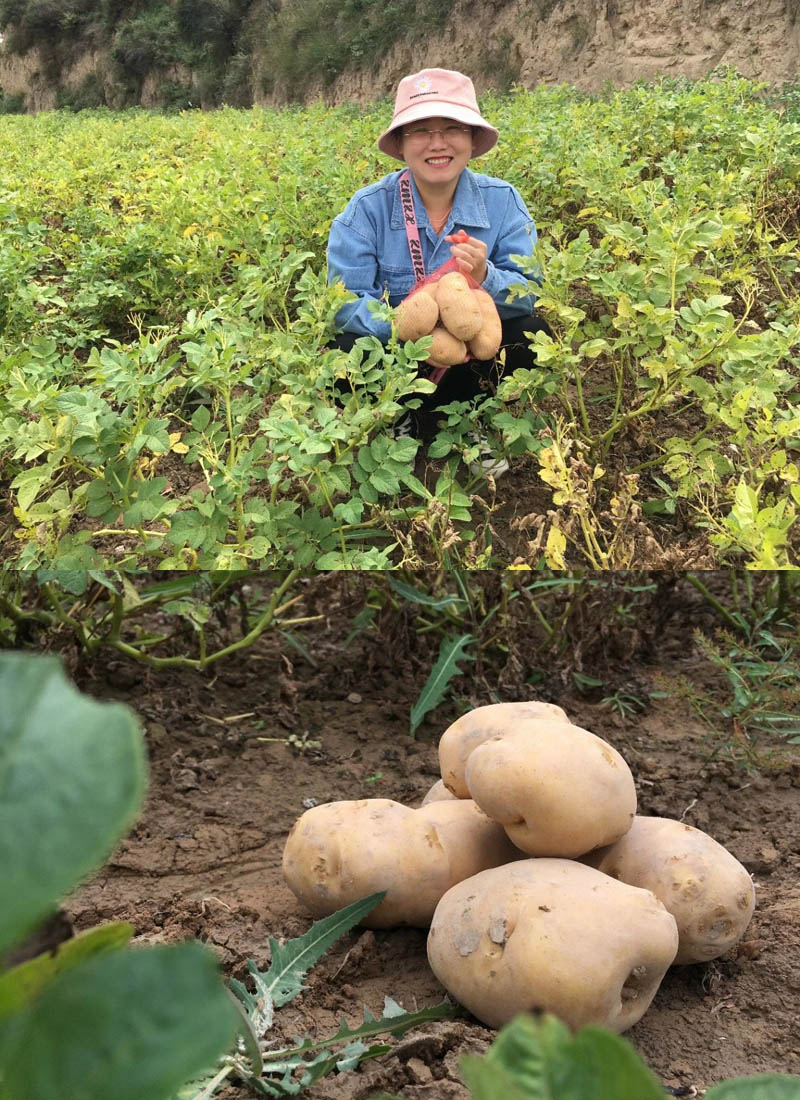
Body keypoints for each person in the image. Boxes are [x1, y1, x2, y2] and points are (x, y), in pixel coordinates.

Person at [326, 68, 551, 476]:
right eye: (420, 131)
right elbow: (342, 303)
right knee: (343, 349)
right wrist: (404, 324)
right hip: (399, 363)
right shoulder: (365, 210)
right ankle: (395, 416)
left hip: (470, 362)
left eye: (452, 128)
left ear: (470, 139)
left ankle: (473, 417)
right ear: (399, 143)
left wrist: (486, 277)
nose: (437, 143)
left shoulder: (503, 202)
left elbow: (532, 292)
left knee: (532, 333)